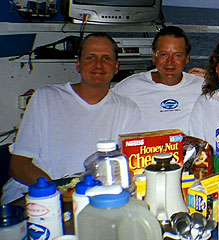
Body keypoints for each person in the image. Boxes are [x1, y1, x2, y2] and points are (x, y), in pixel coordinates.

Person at [1, 33, 141, 204]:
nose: (98, 65)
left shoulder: (128, 109)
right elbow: (19, 166)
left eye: (106, 58)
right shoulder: (46, 97)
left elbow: (125, 171)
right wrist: (59, 194)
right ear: (78, 64)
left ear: (116, 67)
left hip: (94, 199)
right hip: (34, 195)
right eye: (90, 57)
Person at [112, 26, 204, 133]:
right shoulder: (130, 87)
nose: (170, 62)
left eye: (177, 55)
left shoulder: (202, 86)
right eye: (164, 54)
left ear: (187, 58)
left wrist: (213, 77)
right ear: (154, 56)